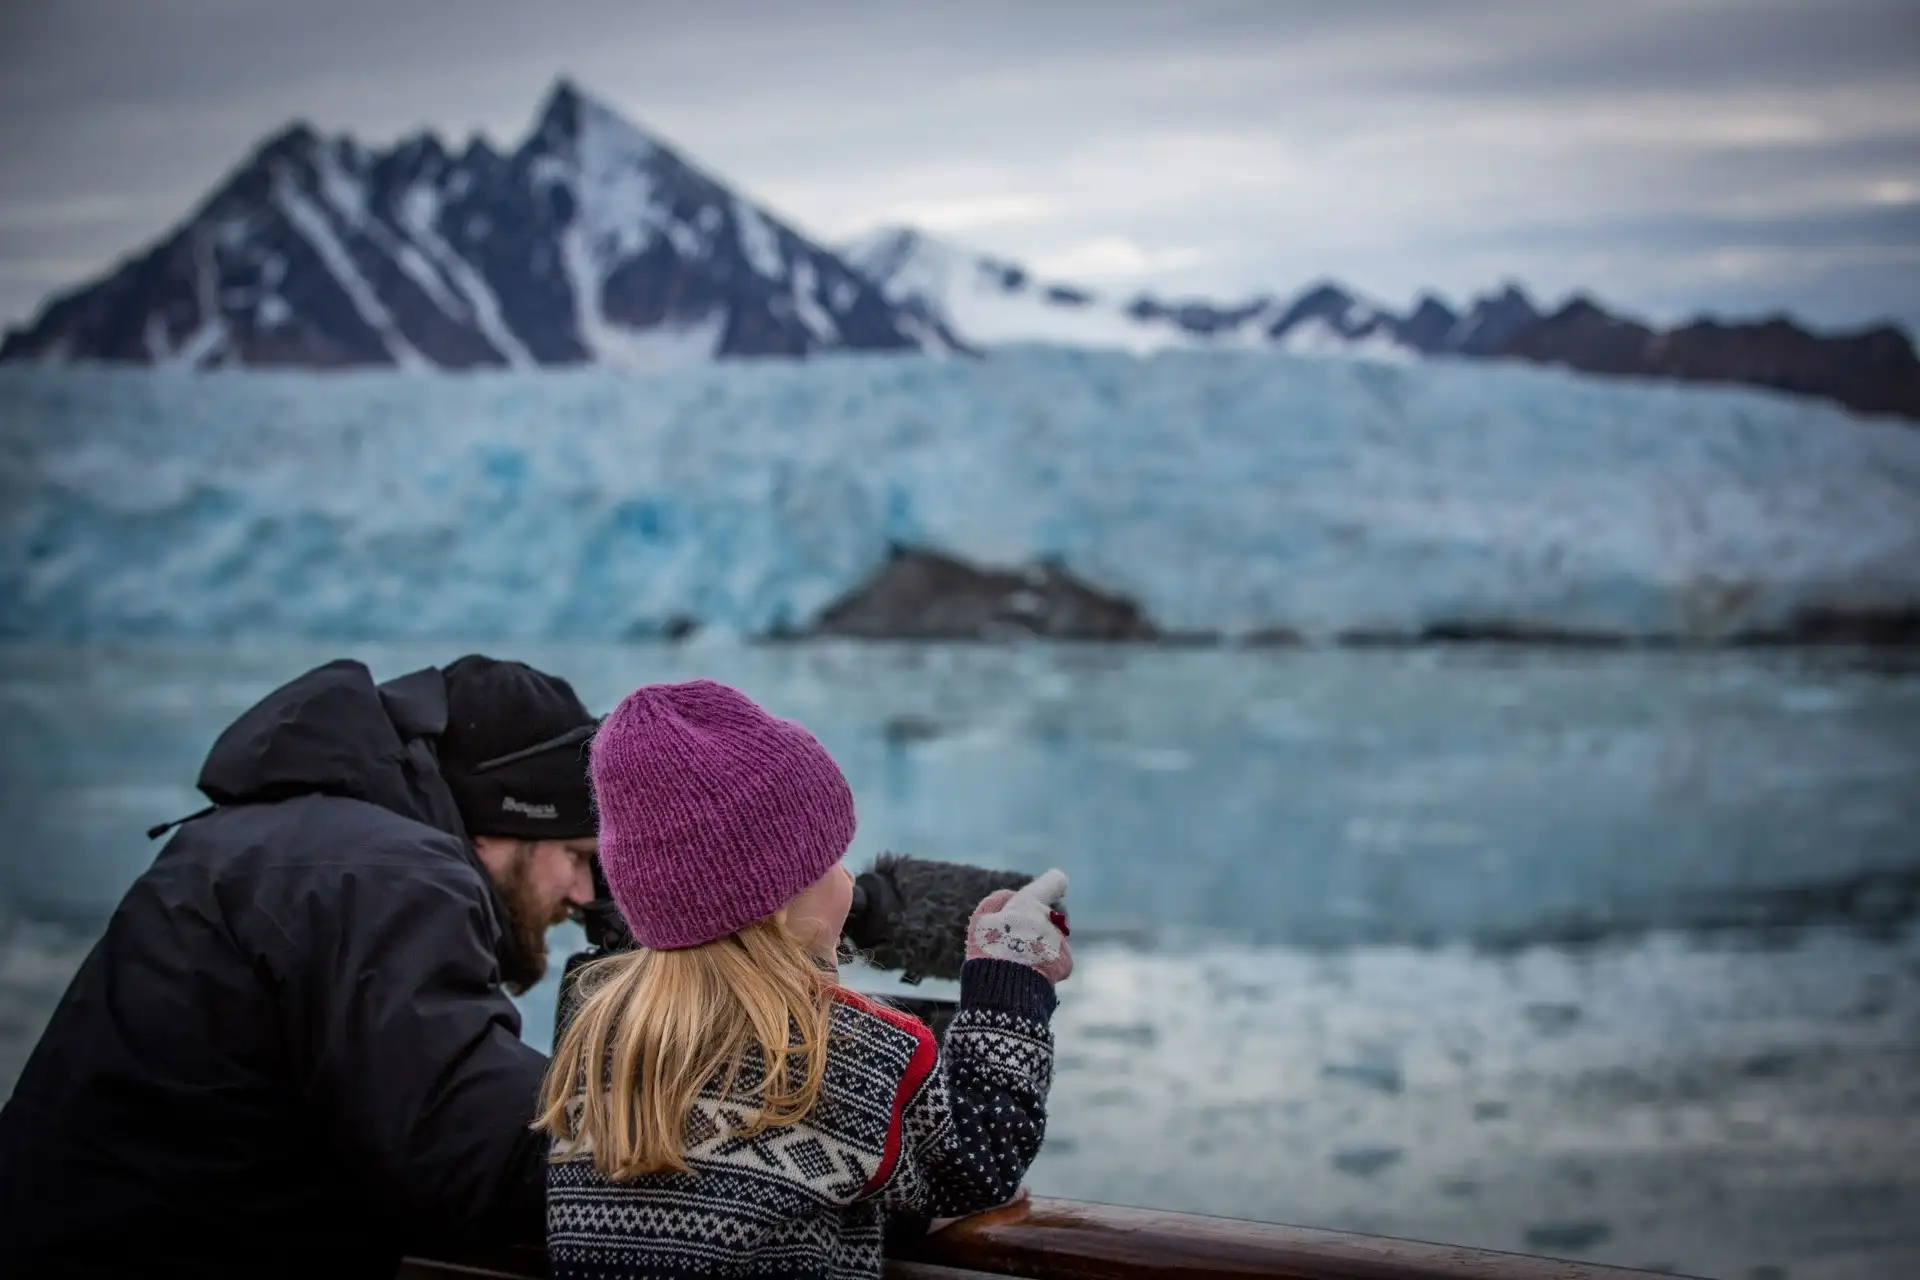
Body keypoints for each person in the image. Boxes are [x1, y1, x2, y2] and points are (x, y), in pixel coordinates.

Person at [0, 654, 601, 1280]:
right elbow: (467, 1152)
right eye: (574, 855)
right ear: (495, 827)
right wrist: (673, 1144)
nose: (584, 894)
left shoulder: (276, 843)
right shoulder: (388, 874)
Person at [540, 679, 1072, 1280]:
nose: (849, 877)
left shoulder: (595, 1037)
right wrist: (1010, 984)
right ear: (781, 901)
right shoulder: (840, 1052)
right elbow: (978, 1166)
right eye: (833, 860)